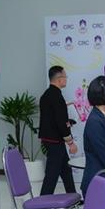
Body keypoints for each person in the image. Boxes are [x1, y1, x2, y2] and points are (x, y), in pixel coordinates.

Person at [39, 66, 78, 195]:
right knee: (52, 173)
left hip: (49, 139)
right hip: (55, 141)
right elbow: (61, 122)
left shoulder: (47, 95)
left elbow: (51, 117)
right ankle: (43, 201)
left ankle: (73, 196)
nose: (66, 79)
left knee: (65, 170)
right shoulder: (57, 97)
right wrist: (71, 143)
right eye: (65, 77)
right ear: (59, 79)